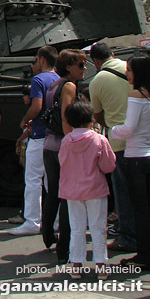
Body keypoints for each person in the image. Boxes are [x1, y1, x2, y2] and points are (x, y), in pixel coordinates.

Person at [59, 99, 116, 274]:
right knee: (98, 227)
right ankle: (101, 266)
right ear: (91, 118)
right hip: (95, 188)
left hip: (72, 190)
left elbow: (62, 162)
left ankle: (76, 265)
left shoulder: (66, 141)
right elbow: (109, 165)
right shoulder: (99, 139)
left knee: (76, 227)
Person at [89, 42, 136, 253]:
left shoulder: (97, 80)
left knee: (123, 192)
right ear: (113, 54)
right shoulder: (131, 69)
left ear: (95, 62)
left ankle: (127, 236)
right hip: (143, 139)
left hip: (118, 143)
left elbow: (97, 115)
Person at [41, 48, 87, 264]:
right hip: (63, 144)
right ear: (68, 66)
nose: (84, 69)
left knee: (53, 193)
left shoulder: (53, 85)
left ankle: (48, 234)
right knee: (68, 196)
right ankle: (64, 247)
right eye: (80, 64)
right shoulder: (68, 86)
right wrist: (74, 144)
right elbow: (67, 117)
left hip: (50, 143)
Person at [10, 46, 60, 236]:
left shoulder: (38, 80)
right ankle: (56, 221)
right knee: (51, 180)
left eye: (36, 60)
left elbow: (37, 105)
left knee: (32, 179)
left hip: (39, 135)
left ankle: (32, 221)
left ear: (42, 60)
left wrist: (24, 120)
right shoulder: (58, 79)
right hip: (54, 135)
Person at [111, 54, 150, 270]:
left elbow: (128, 128)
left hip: (136, 158)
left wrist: (111, 130)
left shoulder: (137, 95)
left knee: (140, 211)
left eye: (129, 70)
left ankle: (144, 254)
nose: (127, 74)